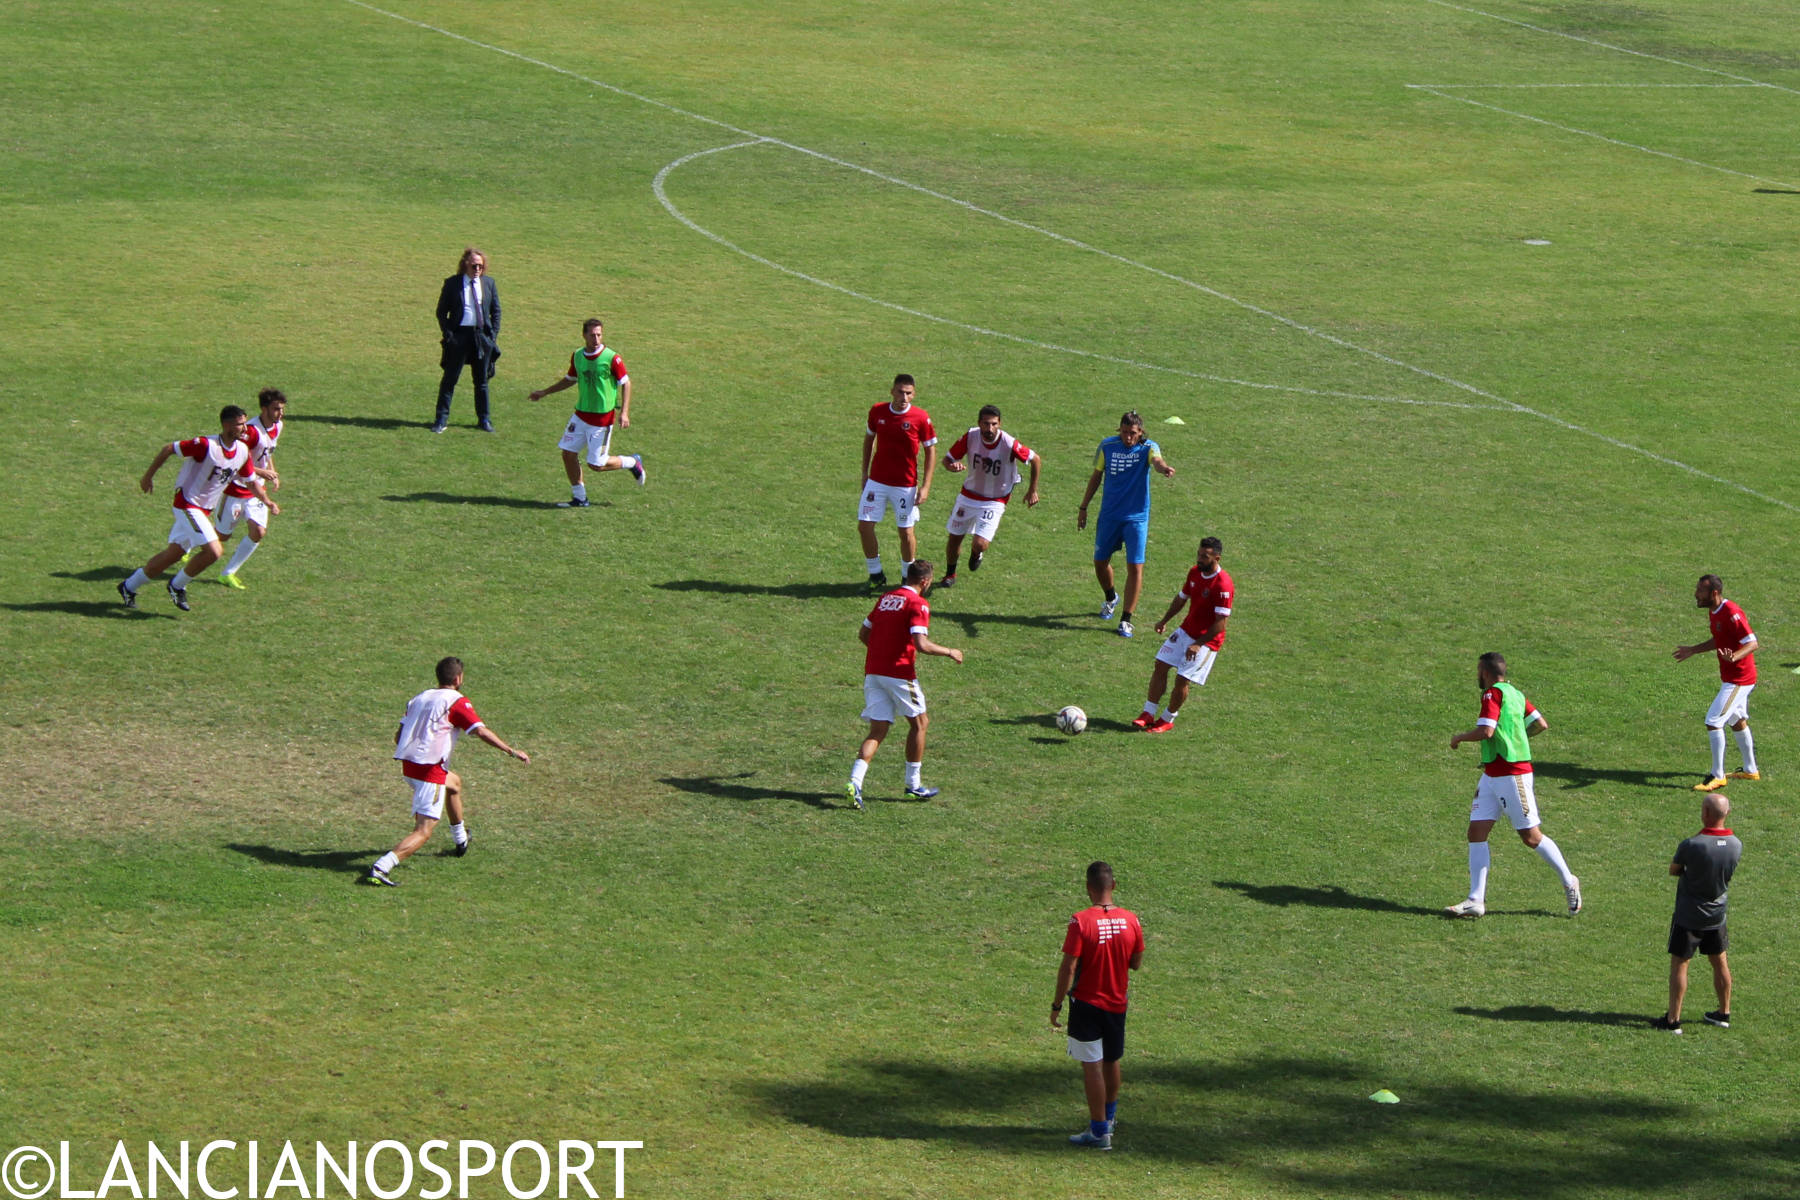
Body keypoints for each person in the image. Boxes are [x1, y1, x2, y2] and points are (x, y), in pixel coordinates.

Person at [369, 656, 529, 886]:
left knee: (454, 784)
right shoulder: (456, 702)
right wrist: (511, 751)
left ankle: (461, 839)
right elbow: (480, 732)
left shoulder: (418, 699)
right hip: (429, 772)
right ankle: (381, 867)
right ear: (458, 678)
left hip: (409, 766)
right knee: (424, 831)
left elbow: (398, 737)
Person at [1444, 653, 1582, 919]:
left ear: (1484, 671)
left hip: (1512, 775)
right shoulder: (1516, 694)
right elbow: (1540, 724)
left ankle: (1569, 880)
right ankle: (1475, 900)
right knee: (1476, 832)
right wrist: (1517, 738)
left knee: (1531, 837)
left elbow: (1487, 731)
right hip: (1493, 775)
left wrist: (1459, 738)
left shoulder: (1491, 695)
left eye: (1477, 670)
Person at [118, 405, 278, 613]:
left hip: (204, 510)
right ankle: (177, 586)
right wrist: (147, 477)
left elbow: (251, 482)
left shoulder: (242, 452)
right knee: (214, 551)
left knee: (173, 555)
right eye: (240, 424)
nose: (245, 429)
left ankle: (128, 586)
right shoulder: (205, 445)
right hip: (187, 504)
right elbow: (168, 449)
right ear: (226, 424)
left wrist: (267, 501)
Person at [847, 560, 962, 809]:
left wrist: (881, 652)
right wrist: (950, 651)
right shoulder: (917, 603)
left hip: (873, 672)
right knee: (920, 723)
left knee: (877, 731)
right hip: (898, 672)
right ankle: (913, 785)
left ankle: (855, 783)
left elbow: (863, 634)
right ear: (925, 581)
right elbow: (921, 644)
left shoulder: (886, 598)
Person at [1050, 861, 1145, 1151]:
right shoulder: (1132, 920)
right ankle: (1110, 1119)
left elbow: (1069, 966)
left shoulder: (1080, 921)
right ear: (1113, 886)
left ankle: (1099, 1131)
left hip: (1087, 1003)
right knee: (1111, 1060)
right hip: (1117, 1002)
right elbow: (1137, 962)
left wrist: (1056, 1005)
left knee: (1091, 1065)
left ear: (1089, 888)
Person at [1076, 411, 1174, 639]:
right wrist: (1083, 507)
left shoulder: (1148, 447)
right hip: (1110, 515)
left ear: (1140, 433)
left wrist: (1164, 468)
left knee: (1135, 567)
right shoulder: (1107, 446)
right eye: (1124, 432)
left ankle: (1126, 619)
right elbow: (1096, 477)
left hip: (1136, 517)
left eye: (1132, 433)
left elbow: (1157, 461)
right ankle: (1111, 597)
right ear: (1118, 430)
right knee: (1100, 563)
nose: (1128, 437)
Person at [528, 318, 645, 505]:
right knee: (567, 453)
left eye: (599, 335)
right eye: (592, 335)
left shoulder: (612, 358)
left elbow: (626, 383)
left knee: (596, 465)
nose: (596, 339)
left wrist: (624, 412)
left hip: (602, 419)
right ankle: (580, 498)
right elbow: (570, 379)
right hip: (581, 416)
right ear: (584, 335)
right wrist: (545, 392)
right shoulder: (577, 356)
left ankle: (632, 462)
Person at [1653, 794, 1741, 1033]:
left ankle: (1673, 1020)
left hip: (1689, 915)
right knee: (1719, 962)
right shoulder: (1736, 844)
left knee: (1680, 965)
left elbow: (1674, 870)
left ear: (1705, 813)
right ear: (1727, 814)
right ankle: (1723, 1013)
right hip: (1717, 915)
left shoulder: (1692, 845)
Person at [1134, 536, 1233, 733]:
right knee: (1160, 665)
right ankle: (1148, 713)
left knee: (1182, 679)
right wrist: (1164, 620)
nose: (1199, 559)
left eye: (1204, 556)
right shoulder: (1195, 573)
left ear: (1217, 558)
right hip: (1186, 631)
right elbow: (1181, 599)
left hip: (1207, 641)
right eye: (1198, 554)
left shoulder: (1223, 585)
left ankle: (1167, 718)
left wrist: (1198, 644)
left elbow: (1221, 624)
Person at [936, 404, 1040, 588]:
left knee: (981, 543)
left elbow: (1035, 459)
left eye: (993, 424)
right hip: (968, 495)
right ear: (979, 423)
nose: (989, 429)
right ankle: (949, 574)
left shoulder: (1008, 443)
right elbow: (947, 459)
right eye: (986, 424)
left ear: (999, 423)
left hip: (995, 500)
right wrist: (952, 466)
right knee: (954, 537)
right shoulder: (971, 436)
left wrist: (1032, 490)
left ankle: (976, 553)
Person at [1673, 574, 1759, 792]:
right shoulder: (1715, 612)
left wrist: (1735, 657)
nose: (1696, 594)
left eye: (1700, 591)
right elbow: (1719, 640)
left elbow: (1752, 643)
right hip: (1731, 677)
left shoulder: (1732, 613)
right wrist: (1693, 650)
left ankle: (1717, 776)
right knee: (1736, 720)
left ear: (1714, 593)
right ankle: (1750, 770)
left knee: (1713, 720)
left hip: (1739, 679)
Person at [858, 374, 937, 591]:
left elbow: (931, 451)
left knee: (906, 532)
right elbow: (869, 439)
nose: (904, 397)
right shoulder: (878, 411)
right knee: (864, 527)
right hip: (877, 481)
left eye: (909, 393)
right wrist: (865, 473)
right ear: (892, 391)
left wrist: (926, 486)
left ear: (914, 394)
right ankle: (876, 574)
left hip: (905, 485)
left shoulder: (920, 417)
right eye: (901, 392)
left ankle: (906, 578)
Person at [212, 387, 286, 589]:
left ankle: (228, 573)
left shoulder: (277, 426)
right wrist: (263, 473)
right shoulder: (251, 432)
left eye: (281, 409)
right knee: (222, 536)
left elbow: (267, 452)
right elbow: (236, 462)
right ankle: (186, 545)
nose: (280, 413)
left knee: (259, 531)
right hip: (236, 489)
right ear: (264, 409)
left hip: (256, 491)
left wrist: (272, 472)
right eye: (276, 409)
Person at [432, 247, 500, 433]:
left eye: (480, 265)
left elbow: (496, 311)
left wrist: (492, 335)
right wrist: (449, 335)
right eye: (474, 265)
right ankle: (441, 420)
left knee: (481, 382)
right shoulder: (453, 283)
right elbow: (441, 312)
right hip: (459, 337)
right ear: (465, 265)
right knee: (449, 380)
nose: (477, 268)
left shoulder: (488, 284)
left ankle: (484, 420)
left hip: (481, 338)